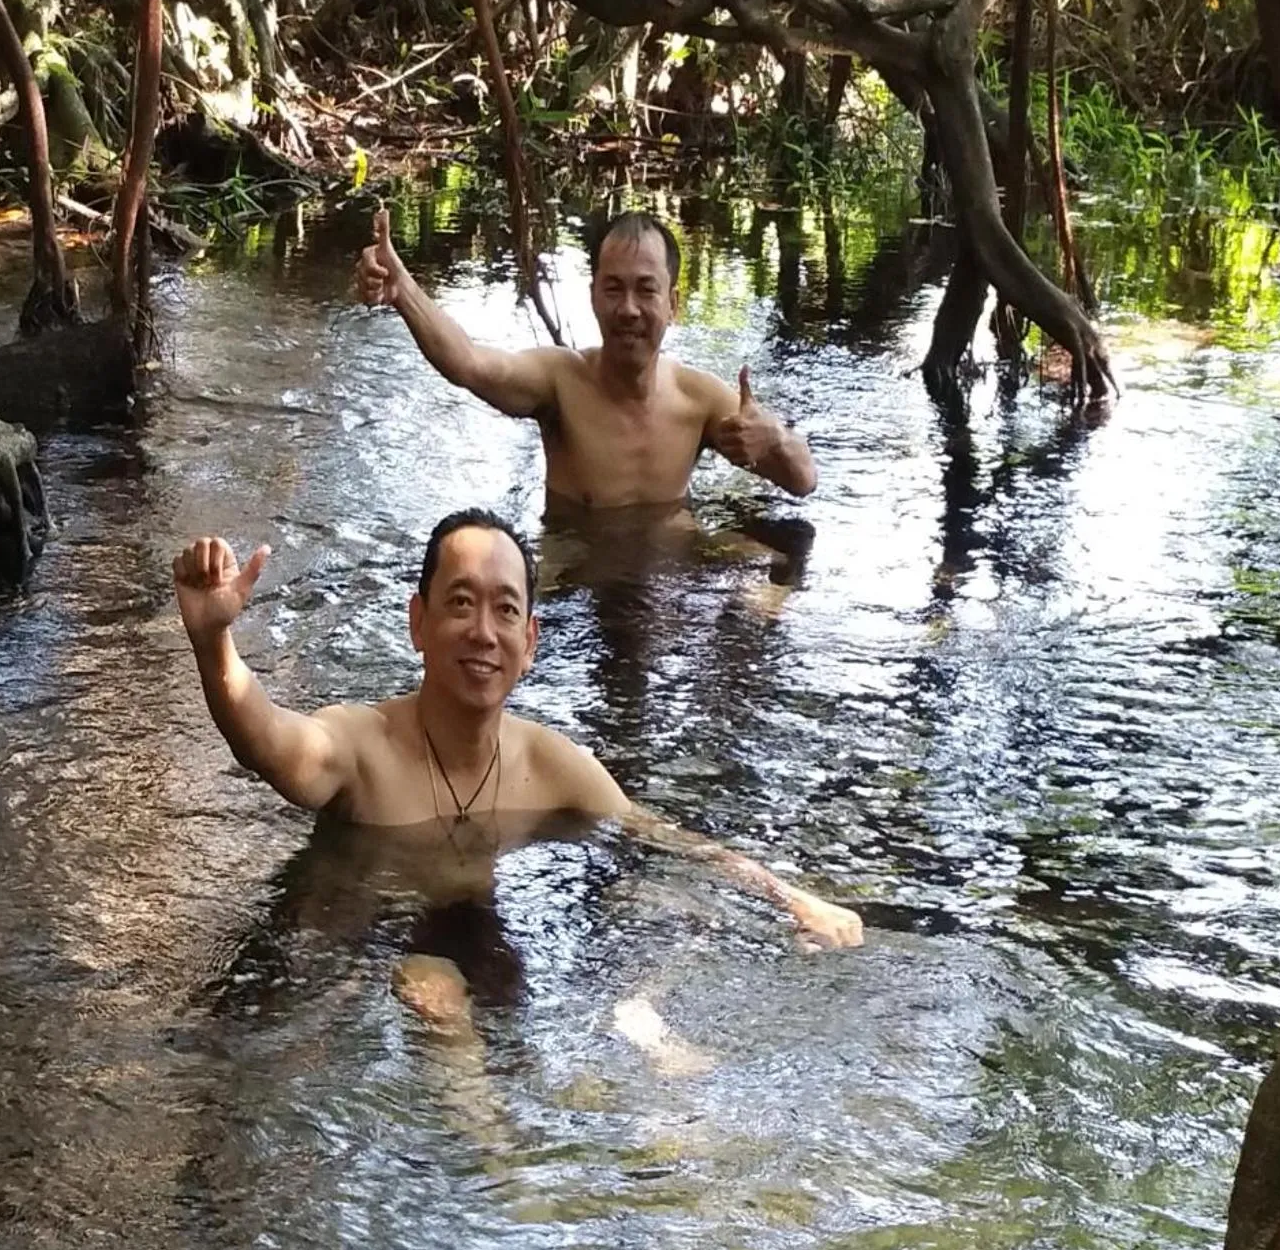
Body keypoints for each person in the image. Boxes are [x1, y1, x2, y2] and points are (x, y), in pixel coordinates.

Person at [173, 508, 863, 949]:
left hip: (486, 940)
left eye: (505, 611)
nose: (483, 632)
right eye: (461, 603)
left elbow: (664, 840)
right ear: (418, 623)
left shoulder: (551, 764)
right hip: (358, 937)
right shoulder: (360, 748)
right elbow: (269, 742)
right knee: (430, 996)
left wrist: (790, 897)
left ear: (531, 642)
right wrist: (214, 646)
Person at [354, 209, 818, 507]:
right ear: (593, 296)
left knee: (766, 568)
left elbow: (803, 482)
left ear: (672, 305)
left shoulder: (699, 401)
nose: (629, 309)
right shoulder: (560, 382)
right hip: (577, 585)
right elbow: (469, 362)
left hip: (665, 582)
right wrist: (403, 293)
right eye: (613, 288)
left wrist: (774, 437)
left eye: (646, 290)